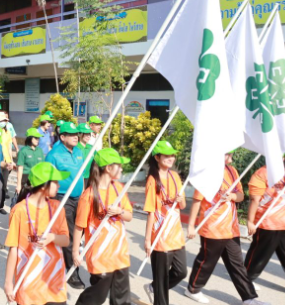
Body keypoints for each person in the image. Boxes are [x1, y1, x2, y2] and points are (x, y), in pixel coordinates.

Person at [187, 151, 267, 305]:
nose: (231, 157)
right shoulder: (206, 172)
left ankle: (249, 298)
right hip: (212, 227)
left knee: (237, 264)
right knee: (207, 261)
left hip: (230, 227)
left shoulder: (232, 171)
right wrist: (191, 225)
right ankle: (193, 289)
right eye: (227, 154)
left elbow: (241, 196)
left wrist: (231, 196)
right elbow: (197, 200)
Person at [3, 162, 70, 305]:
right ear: (44, 185)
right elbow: (13, 248)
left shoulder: (57, 208)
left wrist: (52, 237)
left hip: (55, 281)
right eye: (56, 182)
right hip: (29, 282)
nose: (59, 185)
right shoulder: (19, 210)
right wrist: (8, 283)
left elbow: (65, 240)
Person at [73, 148, 133, 305]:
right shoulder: (89, 195)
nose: (121, 169)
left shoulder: (119, 189)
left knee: (122, 296)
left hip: (120, 251)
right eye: (119, 165)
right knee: (98, 294)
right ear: (108, 168)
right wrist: (75, 253)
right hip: (100, 254)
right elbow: (79, 226)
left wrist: (119, 211)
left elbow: (129, 216)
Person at [244, 164, 285, 295]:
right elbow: (254, 199)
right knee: (259, 255)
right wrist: (250, 221)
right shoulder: (261, 174)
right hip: (268, 223)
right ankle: (245, 280)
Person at [142, 141, 187, 305]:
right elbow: (151, 211)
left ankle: (154, 287)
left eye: (172, 155)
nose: (170, 158)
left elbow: (182, 206)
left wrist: (181, 200)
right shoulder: (152, 180)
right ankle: (159, 292)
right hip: (160, 235)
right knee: (162, 278)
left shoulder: (175, 176)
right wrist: (148, 240)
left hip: (176, 233)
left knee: (181, 272)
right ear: (157, 157)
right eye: (166, 155)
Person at [45, 121, 86, 289]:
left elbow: (81, 175)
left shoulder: (79, 152)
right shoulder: (53, 155)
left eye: (77, 133)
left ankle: (64, 259)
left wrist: (83, 193)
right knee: (68, 234)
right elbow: (48, 180)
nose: (76, 136)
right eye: (71, 134)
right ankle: (72, 272)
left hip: (78, 197)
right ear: (62, 137)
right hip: (62, 199)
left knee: (79, 231)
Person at [0, 112, 14, 215]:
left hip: (6, 161)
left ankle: (0, 206)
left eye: (5, 121)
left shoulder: (7, 132)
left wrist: (11, 160)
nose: (4, 122)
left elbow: (9, 147)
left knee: (4, 185)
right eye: (2, 121)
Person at [15, 128, 44, 194]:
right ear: (30, 138)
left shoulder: (40, 151)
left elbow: (42, 167)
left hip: (37, 179)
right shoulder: (23, 151)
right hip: (26, 179)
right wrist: (18, 185)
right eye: (35, 138)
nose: (37, 140)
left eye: (38, 138)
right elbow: (20, 168)